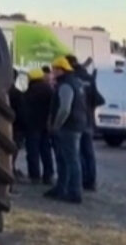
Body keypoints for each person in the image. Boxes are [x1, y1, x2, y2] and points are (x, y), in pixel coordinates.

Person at [46, 56, 87, 203]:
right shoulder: (76, 82)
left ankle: (74, 192)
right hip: (77, 125)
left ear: (60, 70)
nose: (52, 72)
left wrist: (56, 125)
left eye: (54, 69)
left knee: (70, 160)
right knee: (67, 159)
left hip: (68, 127)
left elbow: (64, 108)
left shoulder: (65, 85)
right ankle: (62, 188)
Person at [66, 54, 105, 192]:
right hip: (88, 120)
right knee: (89, 152)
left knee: (77, 153)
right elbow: (98, 99)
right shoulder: (89, 78)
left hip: (76, 121)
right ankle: (91, 181)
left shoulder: (72, 79)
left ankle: (80, 180)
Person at [23, 67, 55, 185]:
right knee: (46, 151)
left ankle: (35, 176)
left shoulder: (29, 92)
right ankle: (48, 175)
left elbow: (24, 109)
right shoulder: (49, 90)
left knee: (33, 152)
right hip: (45, 126)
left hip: (32, 126)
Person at [9, 69, 27, 186]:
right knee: (13, 152)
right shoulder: (18, 94)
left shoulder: (0, 94)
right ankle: (11, 170)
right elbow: (22, 113)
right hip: (16, 128)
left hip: (6, 126)